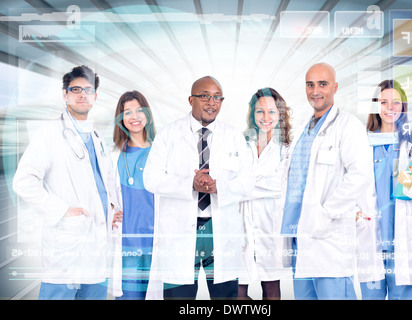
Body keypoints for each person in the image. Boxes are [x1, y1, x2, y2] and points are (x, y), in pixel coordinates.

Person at [143, 76, 254, 300]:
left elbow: (248, 181)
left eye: (217, 98)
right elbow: (151, 178)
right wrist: (189, 184)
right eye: (205, 96)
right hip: (181, 231)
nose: (211, 102)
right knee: (179, 296)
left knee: (226, 297)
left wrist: (218, 187)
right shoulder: (169, 134)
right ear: (191, 99)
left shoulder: (233, 136)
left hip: (219, 228)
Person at [12, 65, 118, 299]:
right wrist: (62, 210)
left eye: (88, 90)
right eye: (76, 89)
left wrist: (112, 208)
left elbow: (104, 182)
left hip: (98, 244)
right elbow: (23, 181)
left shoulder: (98, 137)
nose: (82, 94)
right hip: (67, 243)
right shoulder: (49, 133)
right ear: (65, 94)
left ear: (95, 97)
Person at [280, 62, 373, 300]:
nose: (315, 91)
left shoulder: (348, 125)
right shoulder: (302, 128)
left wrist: (325, 213)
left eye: (323, 84)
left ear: (335, 87)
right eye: (310, 84)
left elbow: (360, 175)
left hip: (329, 241)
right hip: (300, 239)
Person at [358, 79, 412, 300]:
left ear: (403, 106)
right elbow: (347, 187)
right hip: (371, 239)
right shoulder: (362, 143)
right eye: (383, 102)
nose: (390, 108)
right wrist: (354, 213)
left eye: (396, 102)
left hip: (403, 243)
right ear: (376, 106)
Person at [238, 88, 292, 300]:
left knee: (271, 291)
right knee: (238, 292)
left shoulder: (287, 148)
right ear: (252, 114)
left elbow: (281, 185)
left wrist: (243, 187)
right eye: (260, 112)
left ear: (280, 113)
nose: (266, 117)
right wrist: (244, 187)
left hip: (271, 226)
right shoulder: (241, 144)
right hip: (241, 225)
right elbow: (231, 181)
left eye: (271, 111)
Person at [109, 90, 157, 299]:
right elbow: (101, 193)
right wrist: (109, 211)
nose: (134, 117)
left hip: (157, 238)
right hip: (128, 241)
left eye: (139, 110)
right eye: (127, 113)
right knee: (129, 296)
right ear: (120, 119)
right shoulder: (112, 156)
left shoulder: (162, 151)